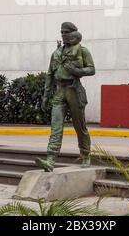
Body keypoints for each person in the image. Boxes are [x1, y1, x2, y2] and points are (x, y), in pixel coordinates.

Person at [35, 22, 95, 172]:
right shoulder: (56, 53)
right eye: (61, 32)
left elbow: (92, 69)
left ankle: (85, 154)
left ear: (73, 33)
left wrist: (75, 70)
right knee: (56, 127)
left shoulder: (82, 50)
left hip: (74, 90)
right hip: (59, 91)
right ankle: (50, 160)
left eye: (66, 32)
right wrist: (45, 96)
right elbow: (50, 75)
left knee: (79, 126)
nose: (63, 35)